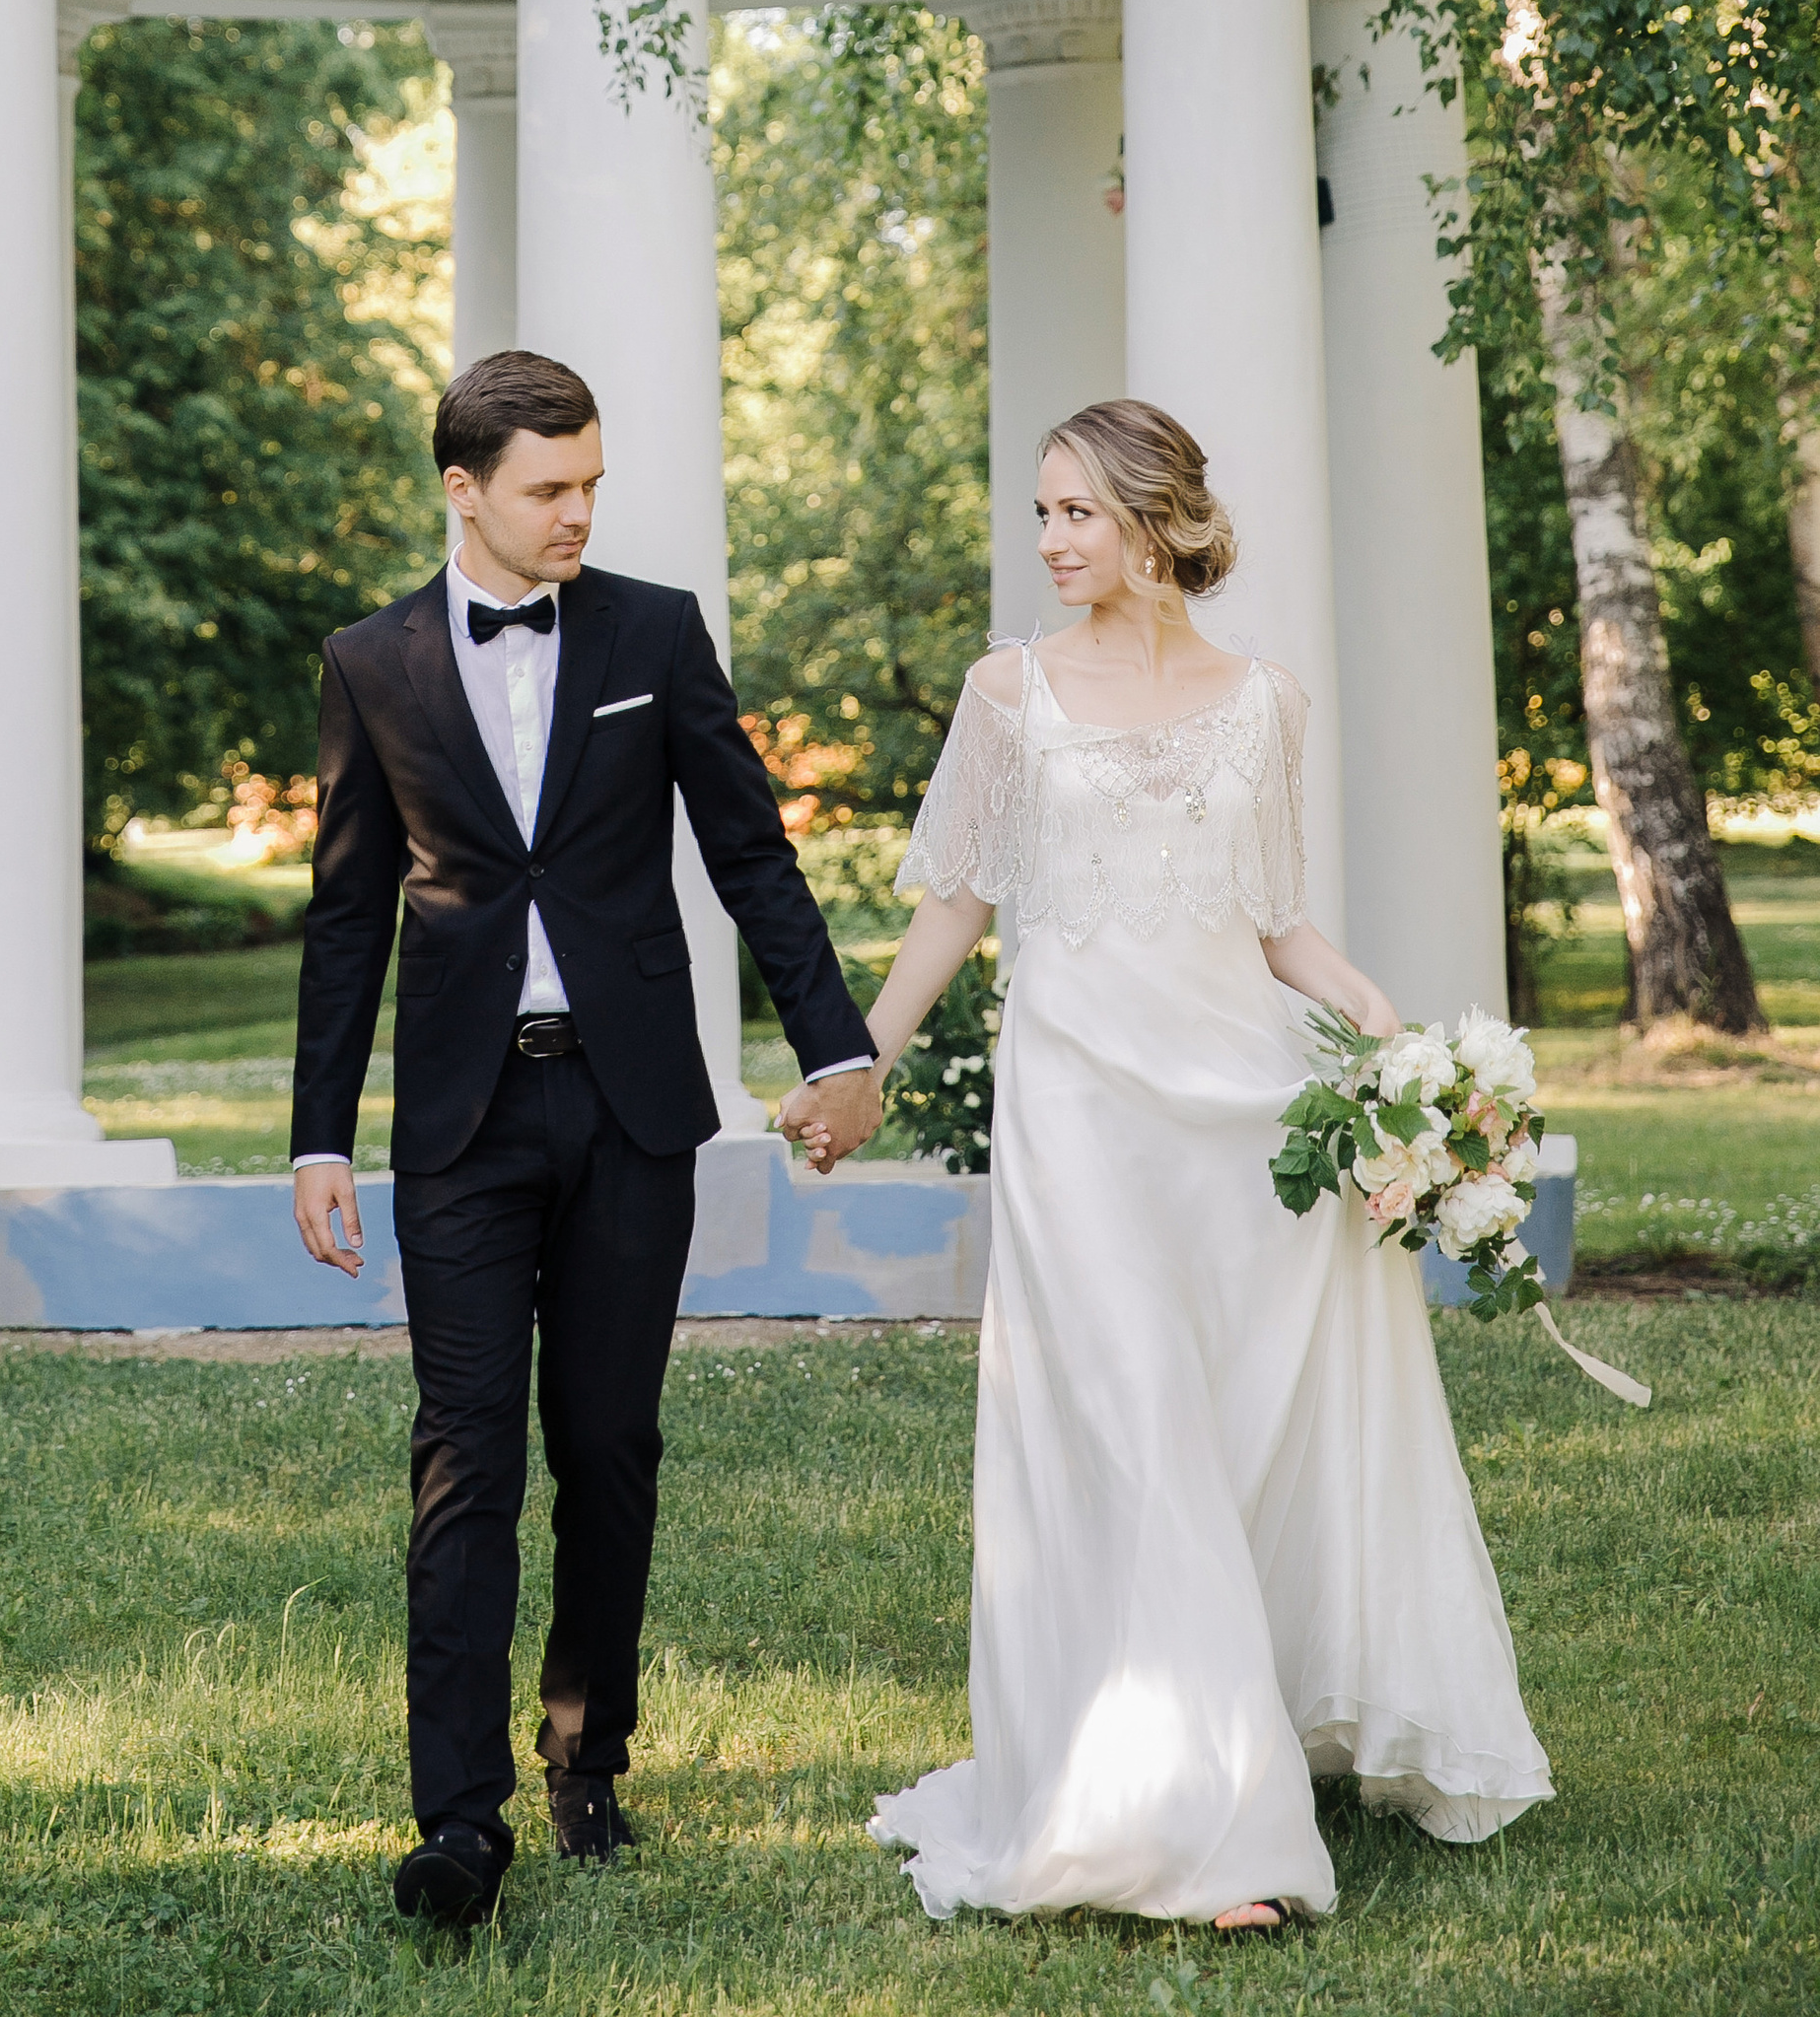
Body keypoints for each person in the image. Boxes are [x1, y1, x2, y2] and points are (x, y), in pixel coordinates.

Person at [784, 398, 1551, 1931]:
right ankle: (1194, 1826)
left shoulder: (1267, 699)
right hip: (1079, 1124)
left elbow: (1275, 923)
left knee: (1233, 1433)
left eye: (1077, 513)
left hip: (1241, 1122)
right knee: (1127, 1430)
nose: (1052, 540)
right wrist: (850, 1061)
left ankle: (1243, 1729)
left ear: (1153, 520)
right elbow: (955, 905)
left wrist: (1381, 1020)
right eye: (1044, 514)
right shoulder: (1009, 697)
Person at [291, 349, 880, 1928]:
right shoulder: (370, 661)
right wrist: (318, 1140)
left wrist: (840, 1045)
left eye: (592, 485)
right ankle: (457, 1821)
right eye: (549, 487)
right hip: (465, 1123)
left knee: (609, 1450)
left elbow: (754, 855)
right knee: (462, 1457)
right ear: (463, 488)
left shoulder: (654, 633)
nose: (577, 513)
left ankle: (588, 1753)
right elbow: (346, 917)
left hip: (631, 1111)